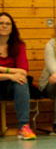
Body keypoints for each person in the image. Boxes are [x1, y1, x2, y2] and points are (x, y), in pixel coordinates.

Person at [0, 12, 36, 140]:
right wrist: (9, 75)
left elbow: (23, 71)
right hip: (6, 80)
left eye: (7, 24)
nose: (4, 26)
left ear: (12, 28)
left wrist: (3, 70)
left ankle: (23, 127)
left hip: (10, 86)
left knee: (22, 81)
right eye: (1, 23)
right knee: (17, 78)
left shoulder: (18, 46)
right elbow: (16, 72)